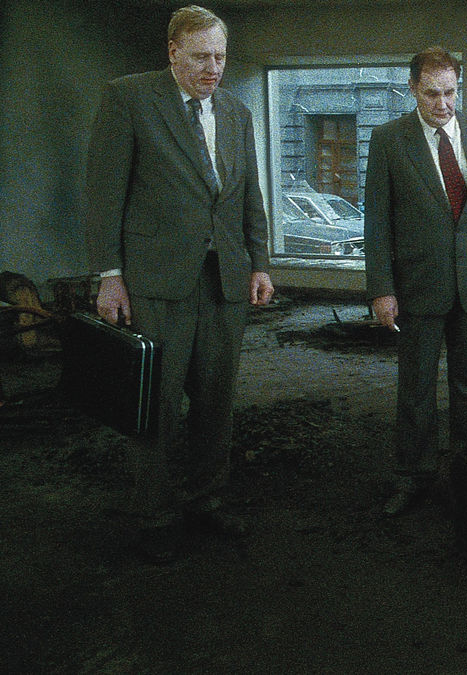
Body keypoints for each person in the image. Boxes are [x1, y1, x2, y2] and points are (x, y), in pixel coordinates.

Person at [85, 5, 273, 563]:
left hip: (224, 283)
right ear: (172, 53)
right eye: (200, 57)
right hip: (156, 283)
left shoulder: (236, 113)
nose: (213, 68)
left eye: (220, 57)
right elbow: (104, 194)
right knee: (158, 403)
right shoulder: (130, 99)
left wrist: (260, 263)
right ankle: (157, 514)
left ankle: (206, 500)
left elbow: (248, 197)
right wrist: (109, 276)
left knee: (217, 399)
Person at [363, 47, 467, 514]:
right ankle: (413, 474)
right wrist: (381, 290)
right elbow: (378, 222)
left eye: (450, 92)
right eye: (432, 94)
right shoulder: (389, 140)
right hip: (416, 287)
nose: (443, 104)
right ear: (413, 89)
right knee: (416, 386)